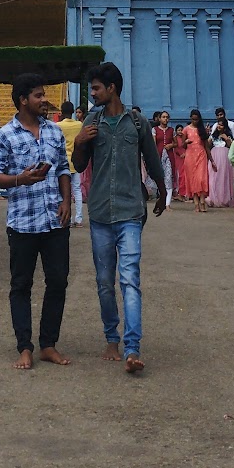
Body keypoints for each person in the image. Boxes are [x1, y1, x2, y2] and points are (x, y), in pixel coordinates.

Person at [72, 62, 166, 376]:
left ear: (111, 88)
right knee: (104, 283)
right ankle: (111, 338)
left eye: (96, 88)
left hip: (130, 212)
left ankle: (132, 347)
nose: (92, 94)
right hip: (100, 212)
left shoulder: (137, 123)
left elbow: (151, 158)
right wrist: (80, 141)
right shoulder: (91, 121)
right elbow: (79, 164)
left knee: (130, 280)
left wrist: (162, 190)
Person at [0, 72, 72, 370]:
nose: (44, 100)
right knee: (21, 285)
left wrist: (67, 202)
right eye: (38, 95)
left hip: (54, 221)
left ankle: (48, 344)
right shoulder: (4, 136)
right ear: (23, 100)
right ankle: (24, 347)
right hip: (22, 223)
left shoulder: (54, 132)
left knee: (58, 281)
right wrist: (19, 179)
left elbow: (63, 169)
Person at [58, 101, 85, 226]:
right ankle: (78, 219)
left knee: (63, 192)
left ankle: (65, 218)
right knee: (77, 190)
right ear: (73, 111)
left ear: (61, 112)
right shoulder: (79, 125)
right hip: (76, 161)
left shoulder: (58, 126)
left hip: (63, 162)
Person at [180, 109, 211, 213]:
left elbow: (207, 146)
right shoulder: (186, 130)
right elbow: (183, 145)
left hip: (201, 155)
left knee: (201, 179)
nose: (195, 121)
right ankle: (196, 204)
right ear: (190, 118)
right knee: (192, 180)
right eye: (193, 119)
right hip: (190, 157)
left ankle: (202, 201)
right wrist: (186, 142)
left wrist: (212, 160)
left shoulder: (202, 130)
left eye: (196, 119)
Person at [207, 112, 234, 208]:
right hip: (214, 156)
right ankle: (213, 197)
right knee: (213, 177)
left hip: (224, 158)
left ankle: (224, 198)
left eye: (221, 125)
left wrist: (226, 139)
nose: (219, 126)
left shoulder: (228, 136)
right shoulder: (213, 135)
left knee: (224, 177)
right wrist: (208, 135)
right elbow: (207, 145)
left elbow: (232, 146)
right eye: (218, 124)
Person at [152, 111, 175, 207]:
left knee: (168, 178)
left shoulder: (171, 130)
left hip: (169, 156)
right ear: (159, 118)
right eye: (163, 117)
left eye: (167, 117)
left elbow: (176, 143)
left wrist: (171, 145)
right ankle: (161, 198)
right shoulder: (155, 130)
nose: (165, 119)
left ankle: (167, 204)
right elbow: (153, 144)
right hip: (159, 156)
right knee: (160, 177)